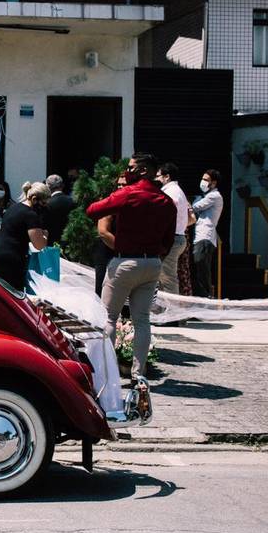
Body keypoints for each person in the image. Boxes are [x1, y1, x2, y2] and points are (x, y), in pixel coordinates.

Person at [86, 153, 176, 380]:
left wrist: (115, 197)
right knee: (142, 320)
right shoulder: (166, 202)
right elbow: (168, 241)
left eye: (131, 167)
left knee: (108, 317)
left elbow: (93, 211)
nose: (128, 170)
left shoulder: (128, 194)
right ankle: (138, 373)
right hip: (152, 262)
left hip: (125, 261)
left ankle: (107, 372)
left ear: (143, 170)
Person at [0, 182, 50, 290]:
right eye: (44, 203)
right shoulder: (31, 215)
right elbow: (39, 245)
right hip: (11, 260)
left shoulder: (13, 208)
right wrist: (45, 235)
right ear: (34, 199)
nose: (44, 207)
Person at [155, 162, 191, 295]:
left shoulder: (171, 192)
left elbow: (167, 213)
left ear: (167, 177)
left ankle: (172, 311)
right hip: (176, 238)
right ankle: (164, 310)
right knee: (162, 276)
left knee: (167, 277)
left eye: (158, 176)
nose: (156, 179)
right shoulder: (176, 191)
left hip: (173, 239)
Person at [93, 171, 126, 296]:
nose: (121, 187)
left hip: (124, 250)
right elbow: (103, 231)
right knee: (102, 286)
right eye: (119, 185)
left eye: (124, 184)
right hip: (107, 248)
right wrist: (122, 250)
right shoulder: (111, 201)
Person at [192, 169, 224, 298]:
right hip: (201, 236)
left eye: (206, 180)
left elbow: (195, 207)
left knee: (202, 268)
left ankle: (206, 298)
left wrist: (190, 202)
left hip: (205, 237)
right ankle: (203, 298)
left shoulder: (214, 196)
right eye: (203, 179)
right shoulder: (207, 196)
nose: (203, 182)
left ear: (214, 183)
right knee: (200, 268)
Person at [44, 174, 75, 246]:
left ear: (48, 187)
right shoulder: (72, 201)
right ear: (62, 186)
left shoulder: (47, 204)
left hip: (52, 243)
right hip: (69, 243)